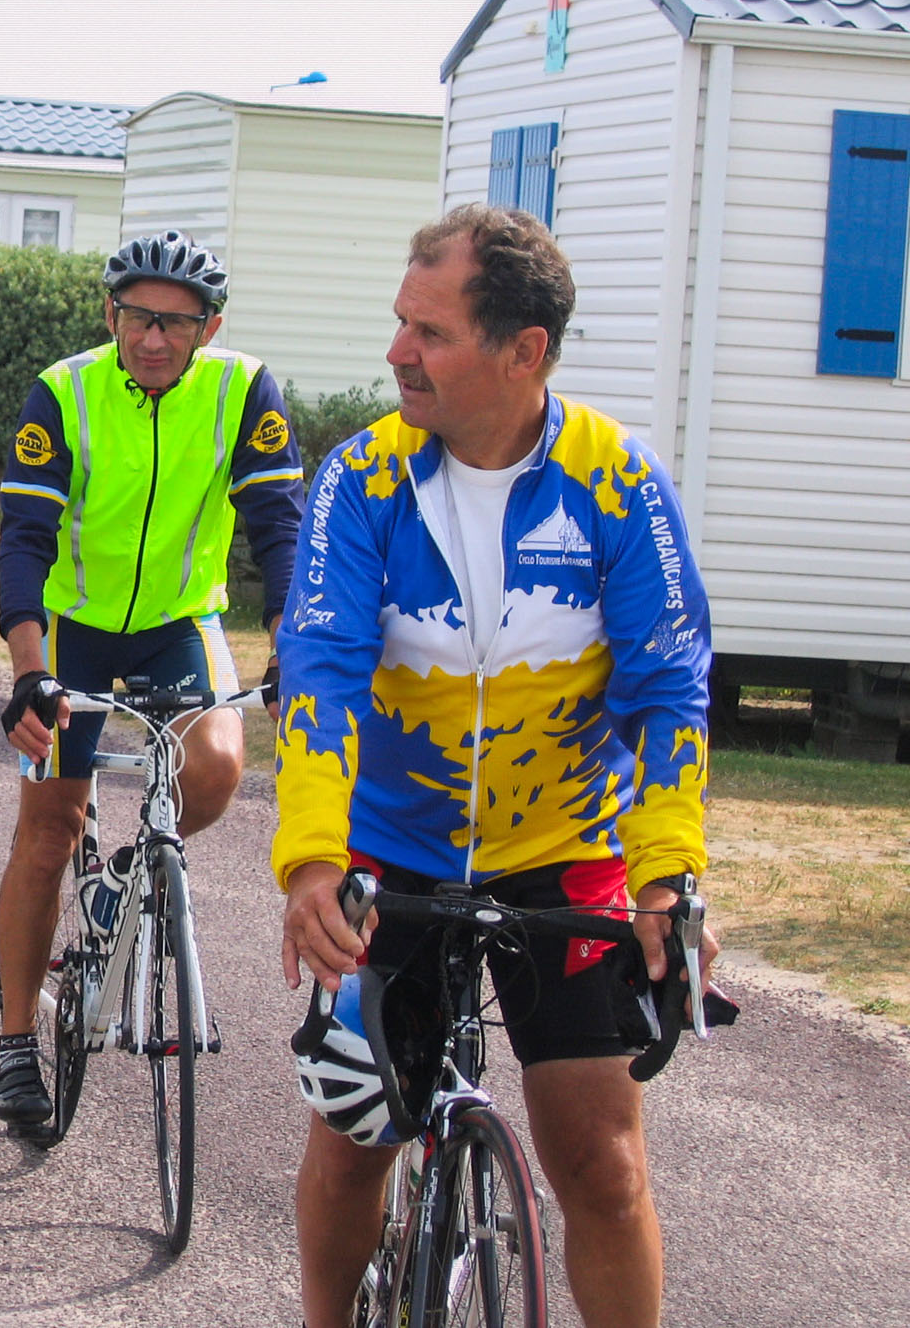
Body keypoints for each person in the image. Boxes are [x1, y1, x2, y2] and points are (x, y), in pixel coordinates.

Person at [273, 204, 718, 1328]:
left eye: (427, 333)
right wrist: (311, 863)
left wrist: (664, 880)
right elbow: (319, 676)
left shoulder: (616, 482)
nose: (394, 354)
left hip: (562, 855)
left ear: (522, 352)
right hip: (387, 853)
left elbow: (668, 694)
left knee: (605, 1173)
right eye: (396, 324)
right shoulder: (360, 482)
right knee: (352, 1144)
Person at [0, 230, 304, 1124]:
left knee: (216, 770)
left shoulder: (245, 391)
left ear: (210, 327)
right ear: (110, 314)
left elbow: (277, 526)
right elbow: (24, 540)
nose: (154, 338)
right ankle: (17, 1042)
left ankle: (129, 873)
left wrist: (291, 648)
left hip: (178, 619)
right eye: (136, 318)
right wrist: (28, 675)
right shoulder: (64, 391)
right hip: (71, 622)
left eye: (175, 322)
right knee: (48, 831)